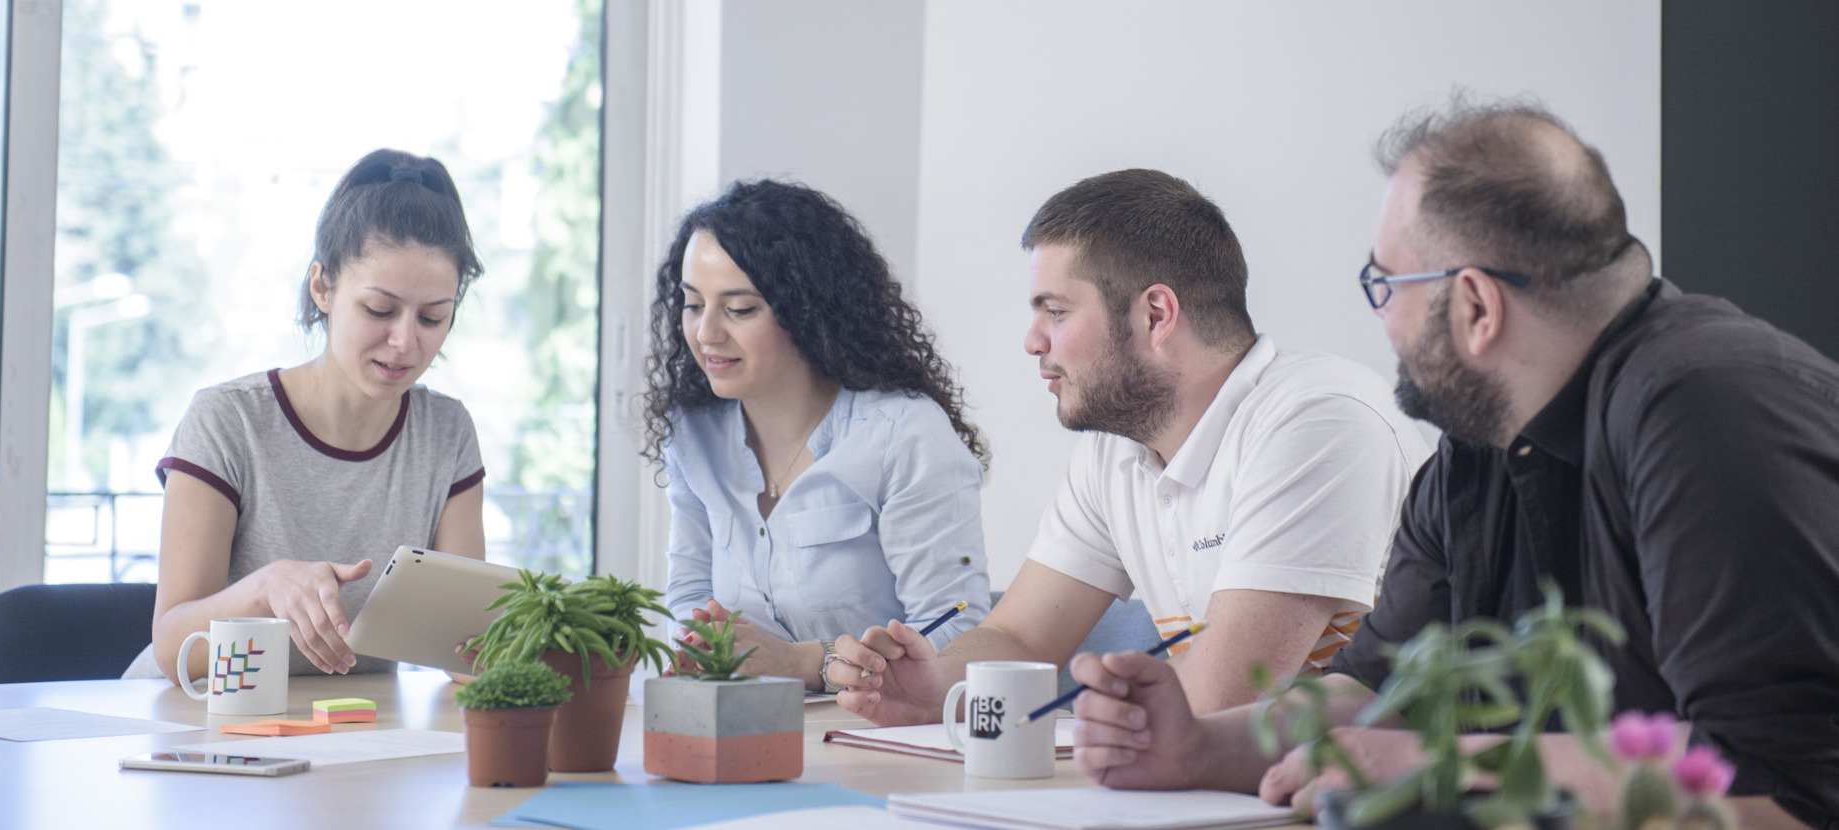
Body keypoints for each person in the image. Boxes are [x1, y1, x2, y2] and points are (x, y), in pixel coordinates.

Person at [1067, 101, 1839, 830]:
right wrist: (1197, 747)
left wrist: (1444, 764)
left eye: (1384, 285)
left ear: (1475, 305)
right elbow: (1374, 695)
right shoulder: (1479, 446)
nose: (1380, 317)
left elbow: (1783, 791)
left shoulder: (1704, 415)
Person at [830, 169, 1431, 725]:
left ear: (1156, 314)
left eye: (1056, 312)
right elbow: (1019, 640)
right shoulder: (1114, 452)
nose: (1032, 341)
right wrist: (936, 687)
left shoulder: (1319, 421)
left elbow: (1222, 701)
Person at [127, 149, 488, 684]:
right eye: (380, 310)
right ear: (323, 287)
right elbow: (173, 645)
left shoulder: (446, 433)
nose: (406, 342)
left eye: (433, 317)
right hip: (193, 718)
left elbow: (465, 649)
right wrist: (264, 587)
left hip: (347, 734)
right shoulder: (228, 422)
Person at [645, 179, 992, 691]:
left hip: (877, 736)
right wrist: (699, 649)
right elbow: (690, 594)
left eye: (739, 309)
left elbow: (956, 628)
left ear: (806, 311)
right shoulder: (694, 434)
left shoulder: (903, 435)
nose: (705, 333)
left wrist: (806, 662)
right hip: (745, 724)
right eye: (693, 304)